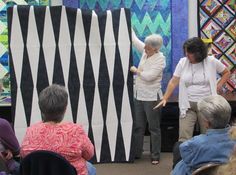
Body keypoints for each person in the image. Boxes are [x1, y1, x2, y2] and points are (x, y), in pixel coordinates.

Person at [154, 37, 230, 142]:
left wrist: (219, 85)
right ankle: (185, 158)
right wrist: (165, 98)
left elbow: (226, 73)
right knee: (184, 137)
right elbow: (173, 81)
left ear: (199, 53)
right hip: (187, 106)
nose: (186, 55)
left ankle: (206, 158)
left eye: (189, 53)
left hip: (206, 106)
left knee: (207, 136)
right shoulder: (183, 62)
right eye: (186, 52)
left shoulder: (211, 61)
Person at [20, 84, 96, 175]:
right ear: (65, 108)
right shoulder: (76, 131)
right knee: (91, 168)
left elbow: (24, 156)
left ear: (41, 108)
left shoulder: (31, 131)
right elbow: (89, 154)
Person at [172, 95, 236, 175]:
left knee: (178, 149)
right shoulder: (234, 140)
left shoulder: (194, 144)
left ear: (206, 122)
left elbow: (185, 157)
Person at [130, 29, 166, 164]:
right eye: (145, 45)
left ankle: (155, 155)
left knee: (154, 128)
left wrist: (136, 71)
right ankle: (137, 153)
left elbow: (149, 77)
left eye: (148, 47)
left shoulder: (160, 59)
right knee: (138, 126)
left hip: (152, 98)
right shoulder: (146, 52)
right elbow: (134, 40)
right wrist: (129, 24)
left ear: (155, 48)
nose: (144, 48)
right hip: (139, 96)